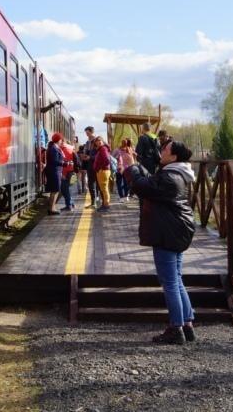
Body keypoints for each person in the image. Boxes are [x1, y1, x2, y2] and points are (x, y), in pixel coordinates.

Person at [126, 140, 197, 345]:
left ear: (174, 157)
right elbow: (152, 181)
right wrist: (139, 166)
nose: (161, 151)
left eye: (165, 149)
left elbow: (143, 186)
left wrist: (132, 167)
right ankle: (187, 324)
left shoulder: (170, 176)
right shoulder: (177, 173)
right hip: (177, 230)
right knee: (177, 279)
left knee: (170, 283)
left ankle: (176, 328)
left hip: (169, 232)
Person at [92, 136, 112, 211]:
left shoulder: (103, 149)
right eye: (97, 141)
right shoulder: (101, 149)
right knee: (104, 189)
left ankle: (106, 205)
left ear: (103, 141)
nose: (99, 142)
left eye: (100, 140)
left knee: (104, 189)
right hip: (103, 171)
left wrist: (100, 168)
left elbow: (107, 160)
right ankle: (105, 204)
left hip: (103, 171)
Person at [81, 126, 99, 206]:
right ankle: (93, 201)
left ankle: (97, 199)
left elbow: (99, 154)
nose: (86, 134)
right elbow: (86, 151)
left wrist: (90, 157)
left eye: (87, 132)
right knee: (91, 183)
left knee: (97, 182)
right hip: (89, 164)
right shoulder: (88, 141)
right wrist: (84, 156)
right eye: (86, 132)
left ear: (91, 132)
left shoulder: (96, 141)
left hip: (95, 165)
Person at [59, 136, 77, 211]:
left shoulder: (64, 149)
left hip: (67, 172)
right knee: (69, 189)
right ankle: (71, 203)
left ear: (62, 141)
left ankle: (69, 205)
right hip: (73, 172)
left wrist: (63, 174)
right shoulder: (71, 148)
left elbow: (66, 162)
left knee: (64, 189)